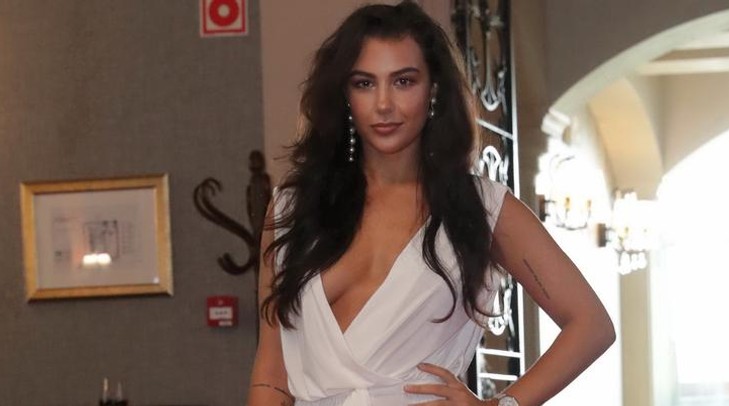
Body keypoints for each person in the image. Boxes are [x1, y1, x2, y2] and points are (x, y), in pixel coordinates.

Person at [248, 2, 615, 405]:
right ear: (345, 94)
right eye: (365, 83)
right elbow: (271, 373)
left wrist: (501, 405)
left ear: (434, 89)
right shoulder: (291, 209)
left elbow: (591, 325)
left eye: (404, 81)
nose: (384, 104)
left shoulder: (482, 208)